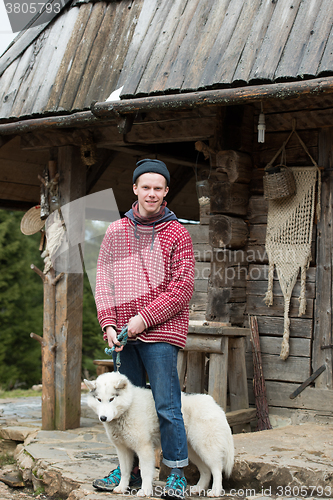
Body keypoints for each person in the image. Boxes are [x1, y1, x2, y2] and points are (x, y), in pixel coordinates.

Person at [93, 158, 195, 498]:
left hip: (161, 334)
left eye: (158, 188)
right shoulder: (115, 232)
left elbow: (181, 289)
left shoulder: (177, 233)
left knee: (166, 405)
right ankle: (132, 472)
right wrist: (108, 322)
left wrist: (143, 320)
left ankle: (177, 472)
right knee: (128, 408)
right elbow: (103, 281)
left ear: (166, 192)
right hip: (122, 334)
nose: (151, 193)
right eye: (145, 187)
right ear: (135, 189)